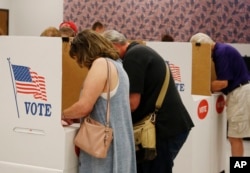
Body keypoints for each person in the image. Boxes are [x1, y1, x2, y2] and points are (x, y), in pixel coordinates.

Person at [103, 30, 194, 173]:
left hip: (164, 128)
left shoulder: (133, 57)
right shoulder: (140, 51)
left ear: (114, 46)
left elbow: (132, 103)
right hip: (170, 125)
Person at [61, 29, 136, 173]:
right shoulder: (117, 65)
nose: (80, 64)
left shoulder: (101, 64)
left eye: (78, 58)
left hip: (104, 146)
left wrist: (62, 114)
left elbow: (84, 106)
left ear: (85, 51)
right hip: (120, 142)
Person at [190, 32, 250, 156]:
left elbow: (223, 83)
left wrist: (202, 86)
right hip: (239, 92)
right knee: (236, 137)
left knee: (235, 138)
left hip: (240, 93)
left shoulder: (220, 53)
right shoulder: (222, 50)